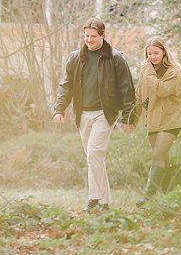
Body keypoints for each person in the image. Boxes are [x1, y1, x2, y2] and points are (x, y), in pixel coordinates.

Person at [52, 18, 135, 212]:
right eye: (87, 36)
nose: (89, 40)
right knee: (93, 157)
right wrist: (59, 109)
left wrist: (128, 118)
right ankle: (101, 201)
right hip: (83, 114)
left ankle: (96, 200)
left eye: (93, 36)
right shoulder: (75, 58)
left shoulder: (115, 58)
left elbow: (126, 89)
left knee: (94, 154)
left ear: (103, 35)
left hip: (105, 113)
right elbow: (66, 86)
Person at [135, 36, 181, 202]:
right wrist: (131, 119)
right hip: (153, 120)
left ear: (164, 52)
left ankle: (147, 196)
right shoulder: (146, 71)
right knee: (163, 158)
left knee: (158, 153)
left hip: (171, 119)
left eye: (156, 53)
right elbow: (139, 95)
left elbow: (162, 90)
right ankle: (169, 196)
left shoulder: (174, 71)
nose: (152, 57)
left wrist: (149, 74)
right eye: (149, 54)